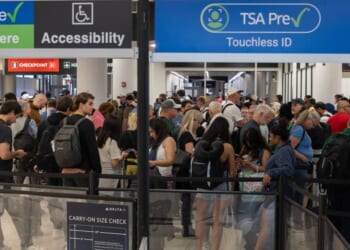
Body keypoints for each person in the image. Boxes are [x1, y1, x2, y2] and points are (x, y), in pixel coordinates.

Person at [194, 116, 236, 250]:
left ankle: (199, 247)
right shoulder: (227, 147)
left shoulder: (202, 144)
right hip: (221, 186)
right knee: (218, 221)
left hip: (203, 184)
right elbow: (233, 173)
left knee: (200, 218)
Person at [255, 119, 296, 250]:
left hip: (277, 193)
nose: (269, 138)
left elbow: (288, 169)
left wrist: (271, 173)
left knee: (266, 226)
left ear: (278, 137)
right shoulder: (283, 149)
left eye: (271, 136)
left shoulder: (284, 151)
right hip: (275, 193)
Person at [0, 100, 33, 249]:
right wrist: (17, 153)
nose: (16, 120)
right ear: (11, 112)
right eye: (16, 116)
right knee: (17, 212)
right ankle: (26, 244)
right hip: (4, 177)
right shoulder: (5, 129)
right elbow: (4, 154)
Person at [61, 92, 101, 193]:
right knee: (88, 204)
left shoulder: (64, 121)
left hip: (67, 169)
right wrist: (97, 170)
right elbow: (92, 149)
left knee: (70, 203)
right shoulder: (87, 124)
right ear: (81, 105)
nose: (92, 107)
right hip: (83, 170)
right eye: (90, 104)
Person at [148, 118, 176, 249]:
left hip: (163, 179)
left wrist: (154, 163)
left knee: (163, 211)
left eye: (152, 131)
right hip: (152, 180)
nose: (151, 135)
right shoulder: (155, 143)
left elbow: (170, 160)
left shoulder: (168, 141)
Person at [177, 109, 203, 237]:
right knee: (187, 201)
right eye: (198, 122)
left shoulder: (183, 133)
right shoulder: (187, 135)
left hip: (183, 172)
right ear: (193, 120)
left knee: (186, 200)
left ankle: (186, 226)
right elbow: (190, 152)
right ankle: (187, 227)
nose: (199, 125)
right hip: (187, 172)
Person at [290, 109, 319, 206]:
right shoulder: (299, 129)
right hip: (299, 164)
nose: (313, 126)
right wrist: (302, 157)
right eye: (313, 123)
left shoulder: (302, 130)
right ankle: (298, 215)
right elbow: (289, 148)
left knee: (302, 190)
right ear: (306, 119)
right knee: (300, 191)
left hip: (302, 164)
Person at [97, 114, 124, 196]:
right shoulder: (113, 142)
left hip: (103, 172)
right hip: (112, 174)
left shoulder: (101, 139)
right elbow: (115, 162)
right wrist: (122, 156)